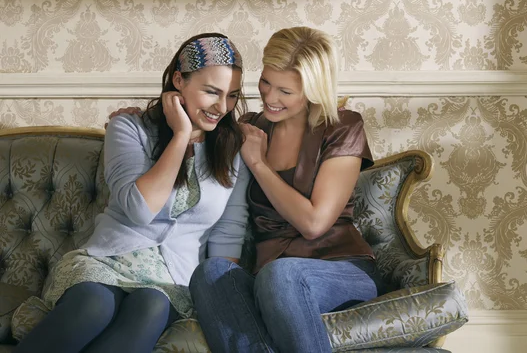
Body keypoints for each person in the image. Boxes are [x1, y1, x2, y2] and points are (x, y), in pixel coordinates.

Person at [15, 34, 250, 353]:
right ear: (179, 80)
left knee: (150, 305)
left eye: (232, 95)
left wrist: (221, 301)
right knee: (93, 303)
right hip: (109, 258)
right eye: (211, 92)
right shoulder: (129, 128)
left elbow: (228, 232)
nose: (223, 107)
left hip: (172, 278)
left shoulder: (235, 149)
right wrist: (181, 136)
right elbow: (141, 209)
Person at [189, 26, 384, 353]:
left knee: (281, 276)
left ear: (312, 90)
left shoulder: (344, 127)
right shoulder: (250, 127)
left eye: (286, 91)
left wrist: (260, 165)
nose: (270, 97)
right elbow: (193, 126)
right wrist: (137, 120)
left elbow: (313, 223)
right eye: (266, 82)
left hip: (340, 269)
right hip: (269, 276)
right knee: (209, 274)